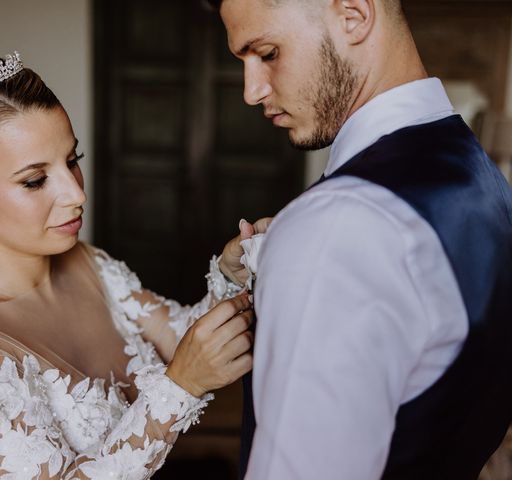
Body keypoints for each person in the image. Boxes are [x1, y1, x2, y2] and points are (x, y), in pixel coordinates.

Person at [0, 52, 261, 479]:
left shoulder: (86, 262)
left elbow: (185, 343)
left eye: (72, 160)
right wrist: (180, 388)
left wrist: (231, 278)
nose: (75, 194)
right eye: (34, 180)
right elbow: (186, 371)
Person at [208, 0, 512, 479]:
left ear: (353, 15)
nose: (251, 91)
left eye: (266, 53)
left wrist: (308, 246)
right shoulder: (481, 175)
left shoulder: (336, 227)